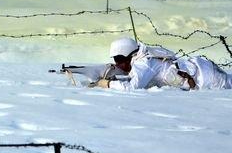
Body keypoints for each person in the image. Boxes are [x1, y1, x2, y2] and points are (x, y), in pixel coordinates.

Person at [93, 37, 232, 91]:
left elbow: (132, 87)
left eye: (118, 59)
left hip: (208, 79)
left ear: (128, 55)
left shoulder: (144, 63)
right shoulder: (144, 55)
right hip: (203, 69)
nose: (117, 64)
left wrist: (107, 84)